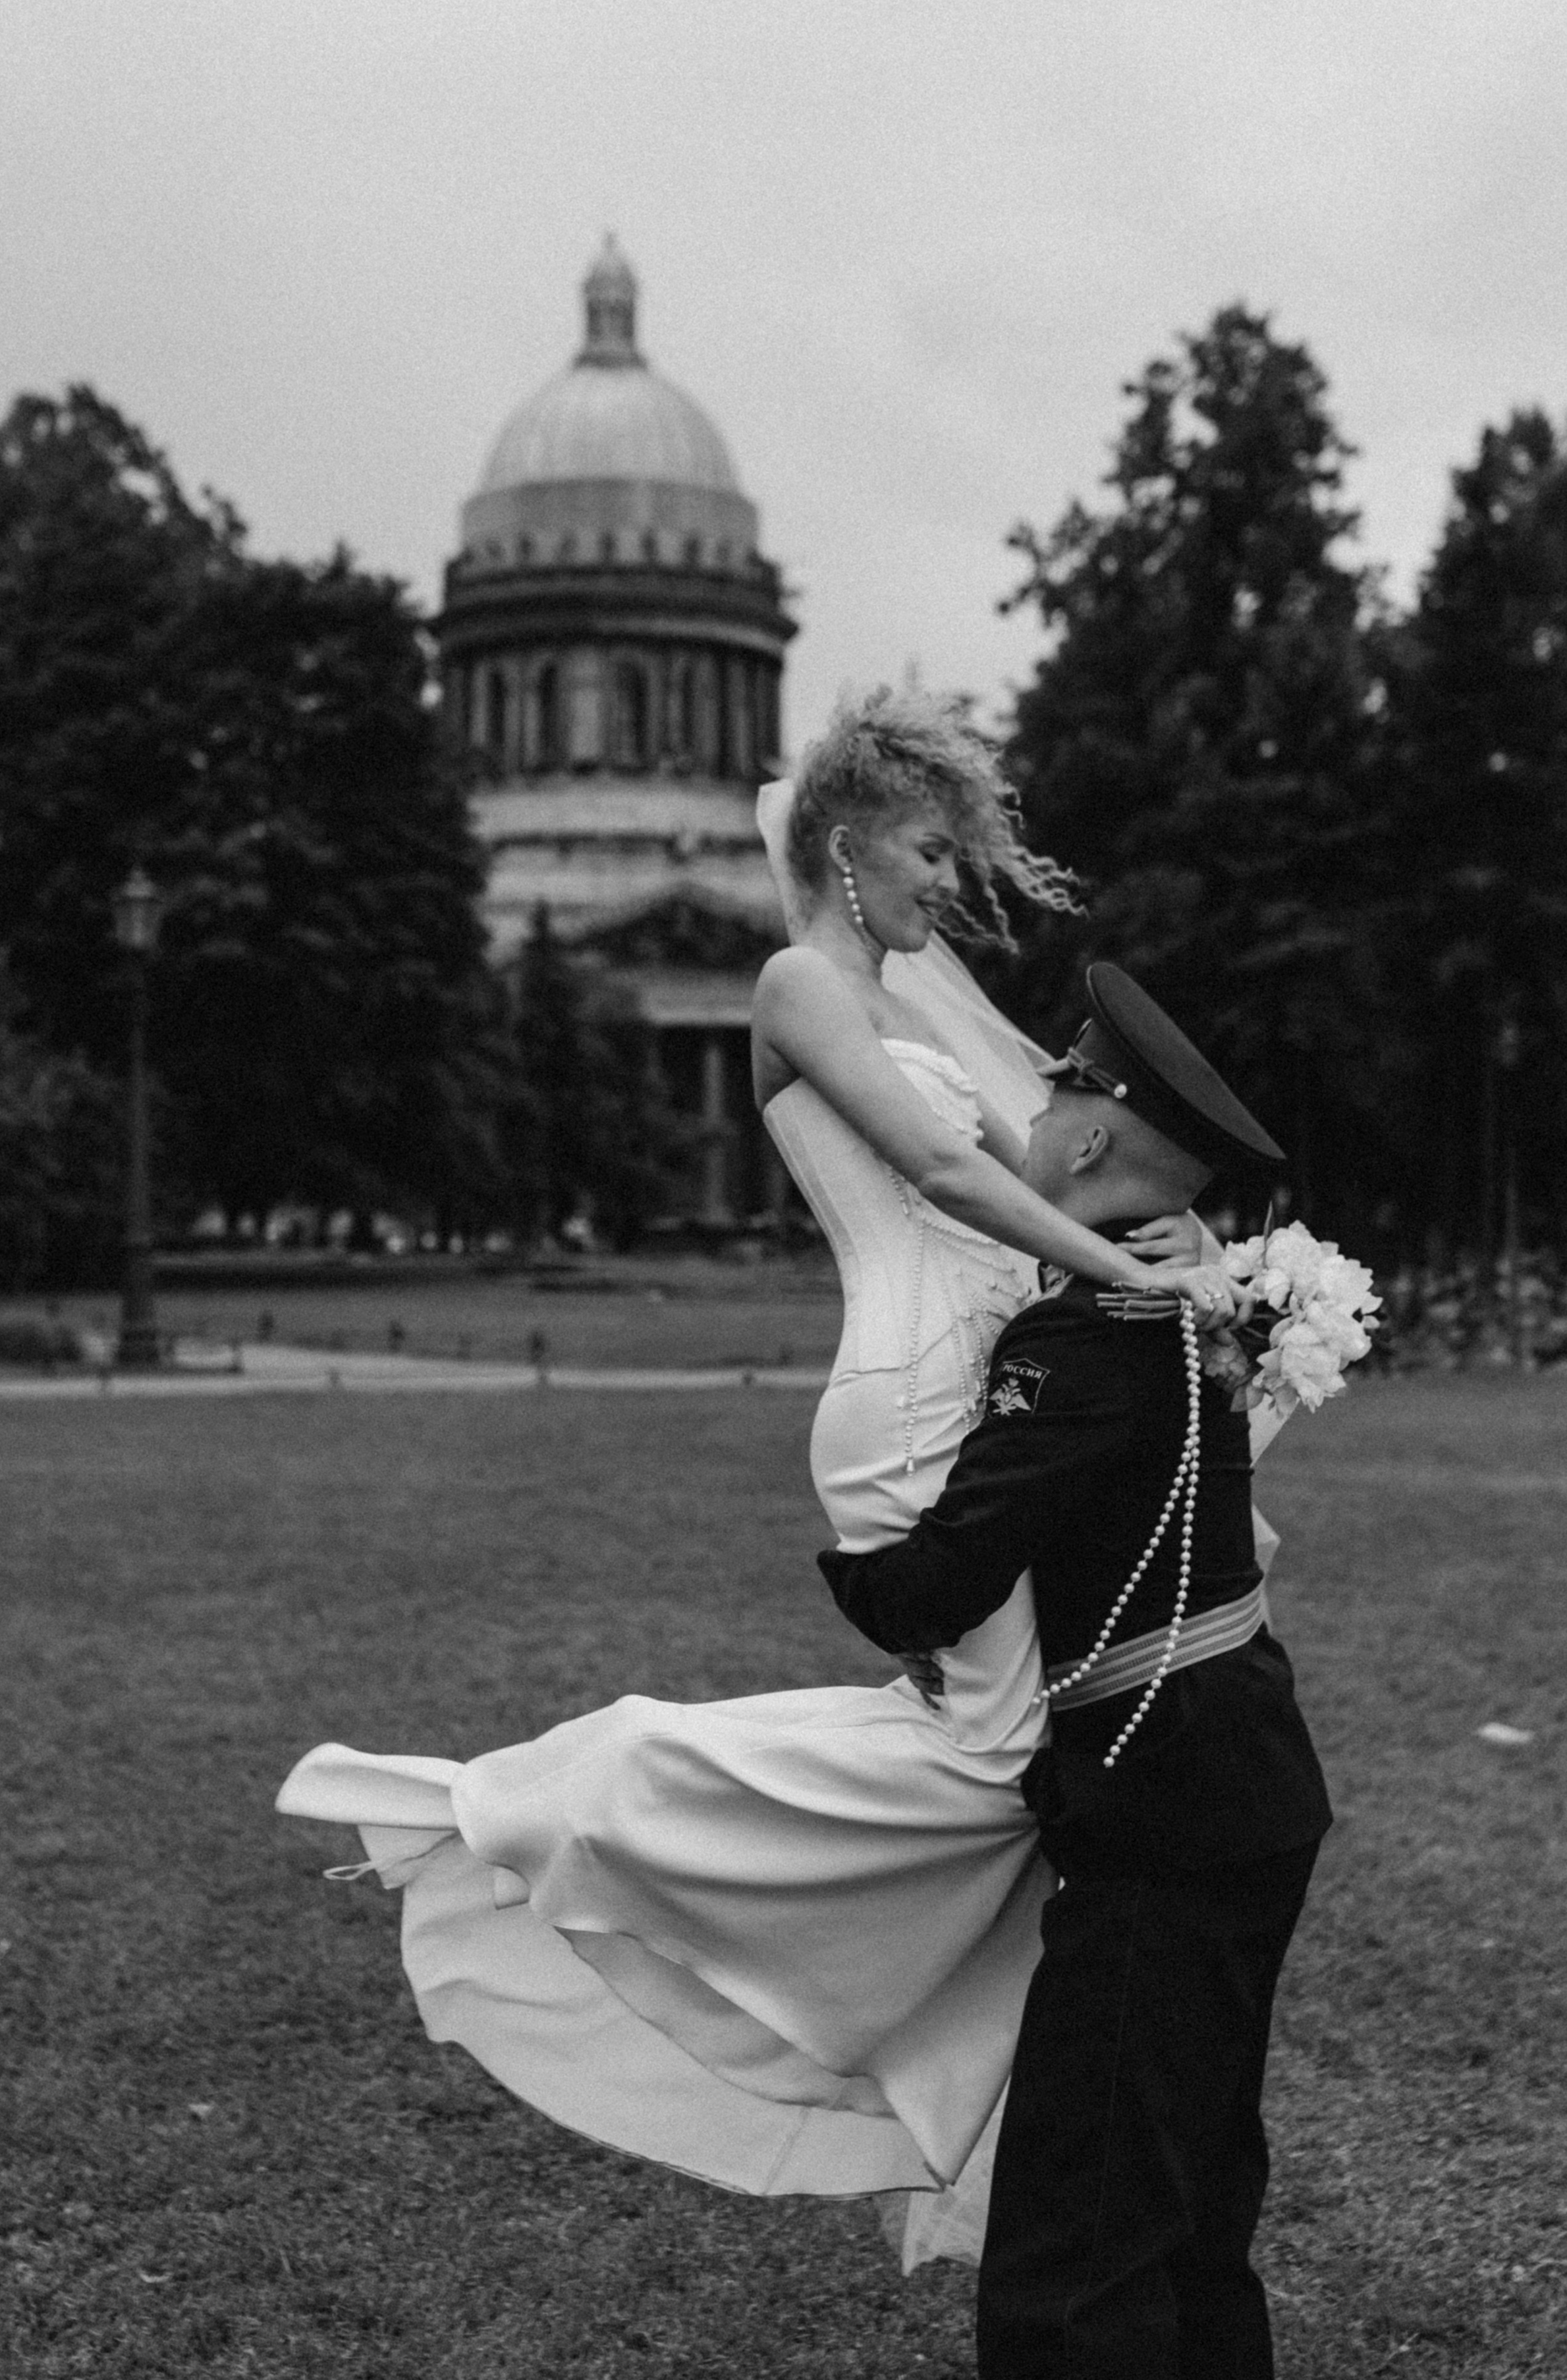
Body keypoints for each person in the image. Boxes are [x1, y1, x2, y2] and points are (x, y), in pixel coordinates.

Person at [276, 689, 1236, 2260]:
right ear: (847, 846)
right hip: (904, 1399)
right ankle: (579, 1800)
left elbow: (1030, 1168)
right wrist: (1138, 1291)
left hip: (969, 1381)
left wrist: (1179, 1245)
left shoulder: (899, 1008)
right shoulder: (797, 979)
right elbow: (938, 1175)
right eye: (931, 851)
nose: (952, 883)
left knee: (1000, 1751)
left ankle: (952, 2042)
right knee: (996, 1760)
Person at [821, 960, 1333, 2377]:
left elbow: (934, 1584)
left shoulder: (1084, 1333)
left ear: (1092, 1138)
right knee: (1188, 2205)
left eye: (1056, 1090)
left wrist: (847, 1555)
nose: (1032, 1106)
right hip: (1244, 1790)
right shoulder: (1184, 1309)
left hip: (1163, 1816)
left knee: (1073, 2249)